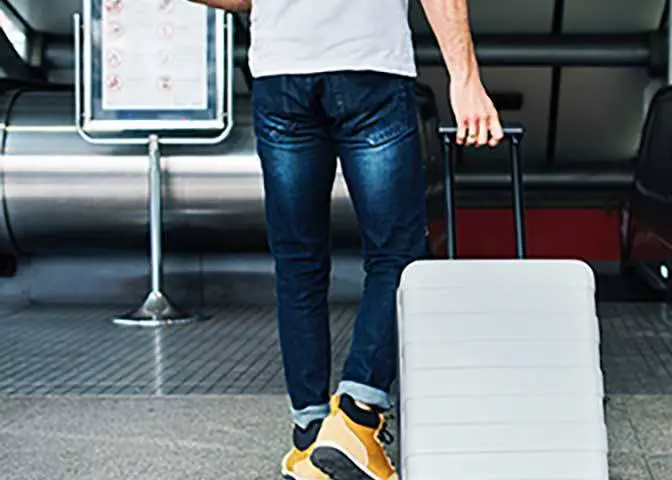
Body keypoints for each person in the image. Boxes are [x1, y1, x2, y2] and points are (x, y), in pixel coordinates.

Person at [188, 1, 503, 479]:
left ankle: (310, 434)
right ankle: (356, 418)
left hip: (282, 72)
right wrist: (465, 78)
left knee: (298, 261)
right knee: (397, 253)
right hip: (368, 67)